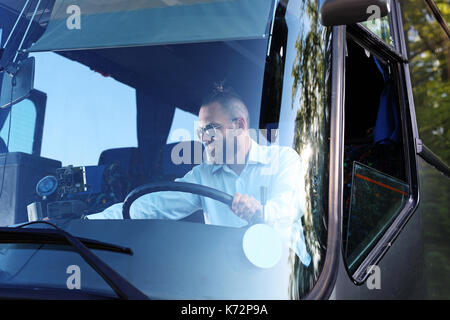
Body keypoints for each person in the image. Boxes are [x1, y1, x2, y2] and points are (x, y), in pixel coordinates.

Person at [88, 88, 311, 267]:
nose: (203, 138)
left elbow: (289, 209)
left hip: (287, 276)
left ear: (239, 125)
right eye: (200, 132)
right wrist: (86, 224)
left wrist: (259, 211)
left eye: (211, 129)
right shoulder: (203, 175)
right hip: (229, 279)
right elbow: (150, 205)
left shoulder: (283, 159)